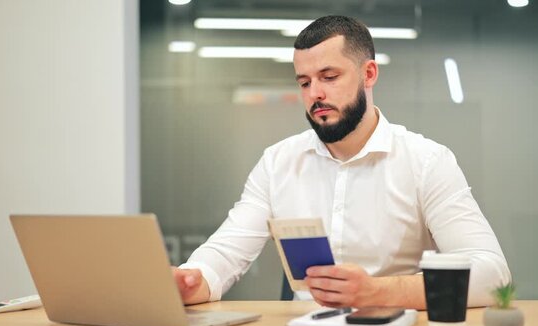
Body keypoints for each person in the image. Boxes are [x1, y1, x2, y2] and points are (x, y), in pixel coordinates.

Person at [174, 15, 511, 309]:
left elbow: (492, 274)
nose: (314, 94)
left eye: (329, 76)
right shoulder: (278, 162)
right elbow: (226, 252)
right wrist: (192, 280)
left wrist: (378, 291)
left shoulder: (427, 162)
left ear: (369, 73)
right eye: (305, 82)